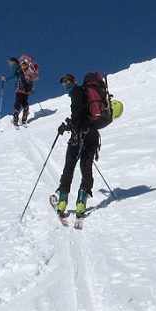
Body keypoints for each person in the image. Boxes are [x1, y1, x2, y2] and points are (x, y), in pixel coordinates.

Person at [54, 73, 102, 217]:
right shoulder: (85, 94)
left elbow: (77, 115)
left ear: (74, 82)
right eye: (63, 84)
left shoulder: (76, 92)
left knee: (70, 164)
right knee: (86, 167)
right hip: (91, 135)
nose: (66, 85)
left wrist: (67, 126)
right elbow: (82, 115)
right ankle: (82, 200)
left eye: (67, 82)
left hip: (79, 135)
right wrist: (71, 124)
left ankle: (62, 199)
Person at [0, 55, 36, 126]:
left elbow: (14, 74)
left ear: (12, 61)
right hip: (28, 86)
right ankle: (25, 109)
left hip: (21, 85)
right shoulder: (25, 67)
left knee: (18, 99)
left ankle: (16, 113)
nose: (9, 64)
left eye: (9, 62)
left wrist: (5, 78)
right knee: (24, 100)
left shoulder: (16, 65)